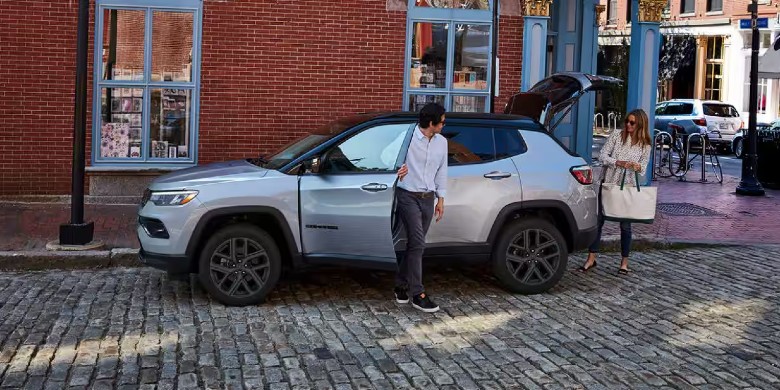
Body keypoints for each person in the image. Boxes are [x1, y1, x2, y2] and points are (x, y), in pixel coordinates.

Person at [580, 108, 652, 275]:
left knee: (625, 226)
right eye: (627, 121)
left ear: (640, 124)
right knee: (599, 221)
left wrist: (635, 166)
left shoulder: (645, 145)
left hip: (627, 187)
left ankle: (624, 263)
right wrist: (618, 162)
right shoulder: (616, 136)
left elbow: (643, 167)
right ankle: (591, 258)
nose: (628, 125)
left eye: (632, 122)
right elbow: (602, 156)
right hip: (608, 183)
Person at [394, 102, 448, 313]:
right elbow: (386, 156)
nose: (443, 125)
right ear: (431, 123)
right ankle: (418, 294)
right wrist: (397, 168)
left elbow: (442, 170)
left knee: (414, 245)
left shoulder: (442, 142)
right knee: (418, 243)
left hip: (428, 198)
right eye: (441, 122)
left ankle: (400, 284)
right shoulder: (407, 137)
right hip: (407, 195)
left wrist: (441, 198)